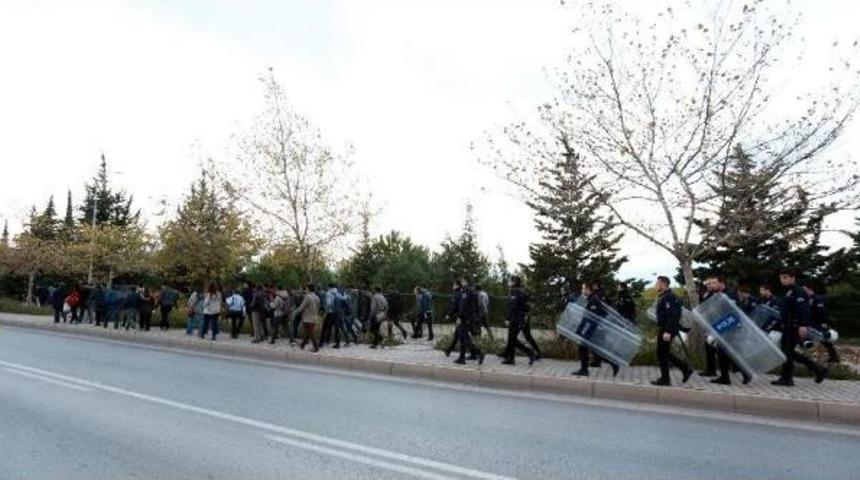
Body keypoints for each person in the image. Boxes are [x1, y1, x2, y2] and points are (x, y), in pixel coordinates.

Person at [772, 269, 828, 386]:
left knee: (787, 351)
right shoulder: (787, 291)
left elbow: (804, 310)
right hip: (786, 325)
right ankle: (817, 369)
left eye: (786, 277)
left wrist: (803, 325)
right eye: (782, 278)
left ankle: (787, 378)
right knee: (788, 351)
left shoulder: (798, 291)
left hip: (794, 325)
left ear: (793, 278)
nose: (783, 280)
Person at [650, 276, 692, 386]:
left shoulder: (669, 297)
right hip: (666, 328)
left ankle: (667, 378)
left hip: (668, 328)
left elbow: (673, 315)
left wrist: (668, 331)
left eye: (657, 283)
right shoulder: (665, 296)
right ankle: (683, 369)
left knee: (662, 353)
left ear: (663, 284)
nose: (656, 285)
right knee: (662, 353)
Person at [573, 282, 619, 377]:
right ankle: (584, 369)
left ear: (588, 289)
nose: (582, 291)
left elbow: (592, 318)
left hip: (592, 330)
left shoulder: (594, 300)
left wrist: (584, 330)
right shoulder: (590, 299)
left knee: (594, 350)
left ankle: (613, 363)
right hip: (589, 330)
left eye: (583, 289)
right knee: (586, 349)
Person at [500, 276, 535, 366]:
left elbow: (513, 307)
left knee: (513, 339)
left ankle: (527, 353)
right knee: (512, 339)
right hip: (520, 318)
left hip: (515, 318)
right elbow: (525, 306)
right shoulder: (522, 291)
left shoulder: (515, 291)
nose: (509, 282)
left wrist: (508, 318)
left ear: (514, 282)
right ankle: (511, 357)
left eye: (511, 281)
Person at [449, 279, 485, 365]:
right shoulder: (473, 292)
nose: (462, 282)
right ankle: (462, 358)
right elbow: (475, 306)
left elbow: (464, 306)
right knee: (464, 338)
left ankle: (478, 353)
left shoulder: (467, 291)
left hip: (465, 318)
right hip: (470, 318)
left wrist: (460, 317)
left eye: (463, 281)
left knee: (464, 338)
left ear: (467, 282)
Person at [803, 284, 840, 364]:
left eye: (805, 290)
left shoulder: (817, 299)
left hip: (818, 323)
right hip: (810, 322)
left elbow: (822, 311)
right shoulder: (807, 299)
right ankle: (833, 356)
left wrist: (824, 322)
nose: (803, 292)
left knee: (824, 340)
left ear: (810, 289)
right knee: (817, 340)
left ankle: (834, 357)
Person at [293, 284, 321, 352]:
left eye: (306, 289)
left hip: (307, 318)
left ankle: (316, 347)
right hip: (315, 317)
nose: (306, 290)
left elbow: (302, 307)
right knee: (308, 332)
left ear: (309, 289)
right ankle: (302, 345)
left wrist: (295, 312)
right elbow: (318, 307)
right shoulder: (317, 297)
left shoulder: (308, 297)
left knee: (310, 333)